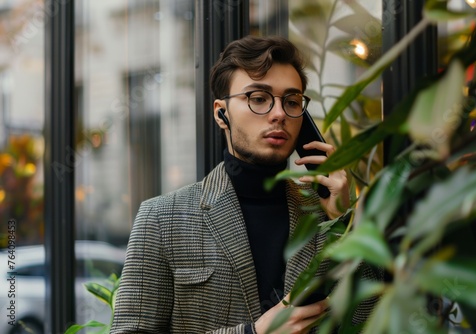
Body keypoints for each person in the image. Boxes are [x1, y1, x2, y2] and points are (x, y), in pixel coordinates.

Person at [111, 35, 352, 334]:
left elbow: (373, 320)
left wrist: (345, 222)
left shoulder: (323, 213)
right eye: (258, 98)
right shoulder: (161, 218)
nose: (279, 114)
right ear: (221, 113)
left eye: (292, 101)